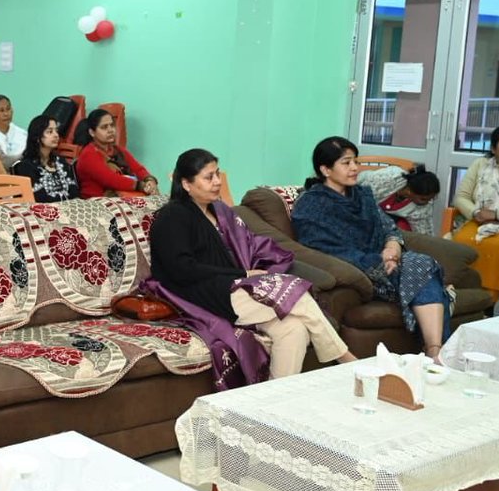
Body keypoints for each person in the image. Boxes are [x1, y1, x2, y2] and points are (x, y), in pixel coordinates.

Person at [144, 149, 355, 389]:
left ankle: (271, 407)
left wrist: (249, 273)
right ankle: (347, 361)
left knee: (293, 330)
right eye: (208, 177)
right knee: (297, 297)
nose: (217, 182)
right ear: (186, 183)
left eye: (217, 175)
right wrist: (242, 275)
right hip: (202, 294)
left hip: (230, 287)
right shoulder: (173, 216)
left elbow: (248, 246)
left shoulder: (219, 211)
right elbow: (181, 269)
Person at [292, 136, 452, 362]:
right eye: (346, 163)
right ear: (326, 170)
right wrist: (378, 261)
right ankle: (435, 354)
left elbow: (389, 227)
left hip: (389, 262)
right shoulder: (311, 205)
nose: (355, 168)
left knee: (422, 263)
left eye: (355, 161)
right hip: (363, 270)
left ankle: (434, 351)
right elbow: (323, 249)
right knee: (423, 269)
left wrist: (393, 246)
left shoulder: (363, 195)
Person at [449, 124, 499, 303]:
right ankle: (464, 298)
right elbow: (461, 197)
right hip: (479, 221)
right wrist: (475, 212)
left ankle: (488, 301)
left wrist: (497, 214)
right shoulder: (480, 164)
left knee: (497, 246)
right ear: (493, 148)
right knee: (463, 243)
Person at [75, 109, 158, 198]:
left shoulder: (118, 150)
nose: (110, 130)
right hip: (97, 202)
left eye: (112, 125)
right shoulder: (88, 154)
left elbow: (138, 169)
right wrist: (141, 186)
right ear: (92, 132)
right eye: (104, 127)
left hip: (123, 197)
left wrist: (149, 181)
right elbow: (110, 179)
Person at [12, 115, 79, 203]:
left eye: (56, 131)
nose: (56, 135)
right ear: (37, 137)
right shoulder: (25, 167)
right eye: (50, 132)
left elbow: (74, 191)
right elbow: (38, 198)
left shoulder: (61, 161)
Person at [358, 164, 440, 236]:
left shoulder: (423, 208)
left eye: (431, 198)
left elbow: (424, 235)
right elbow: (358, 190)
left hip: (383, 217)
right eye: (423, 199)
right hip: (357, 194)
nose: (427, 202)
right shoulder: (390, 178)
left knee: (402, 229)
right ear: (409, 191)